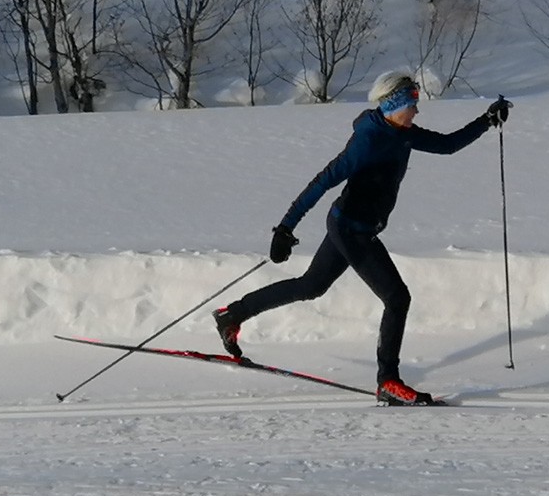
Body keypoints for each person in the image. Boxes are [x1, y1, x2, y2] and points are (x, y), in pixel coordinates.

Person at [213, 71, 512, 405]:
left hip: (356, 228)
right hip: (350, 229)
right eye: (412, 103)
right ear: (395, 104)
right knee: (397, 298)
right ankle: (388, 381)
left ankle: (232, 315)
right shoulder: (368, 140)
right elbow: (322, 181)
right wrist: (285, 228)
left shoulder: (404, 133)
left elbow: (447, 145)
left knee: (310, 286)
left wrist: (486, 120)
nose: (416, 111)